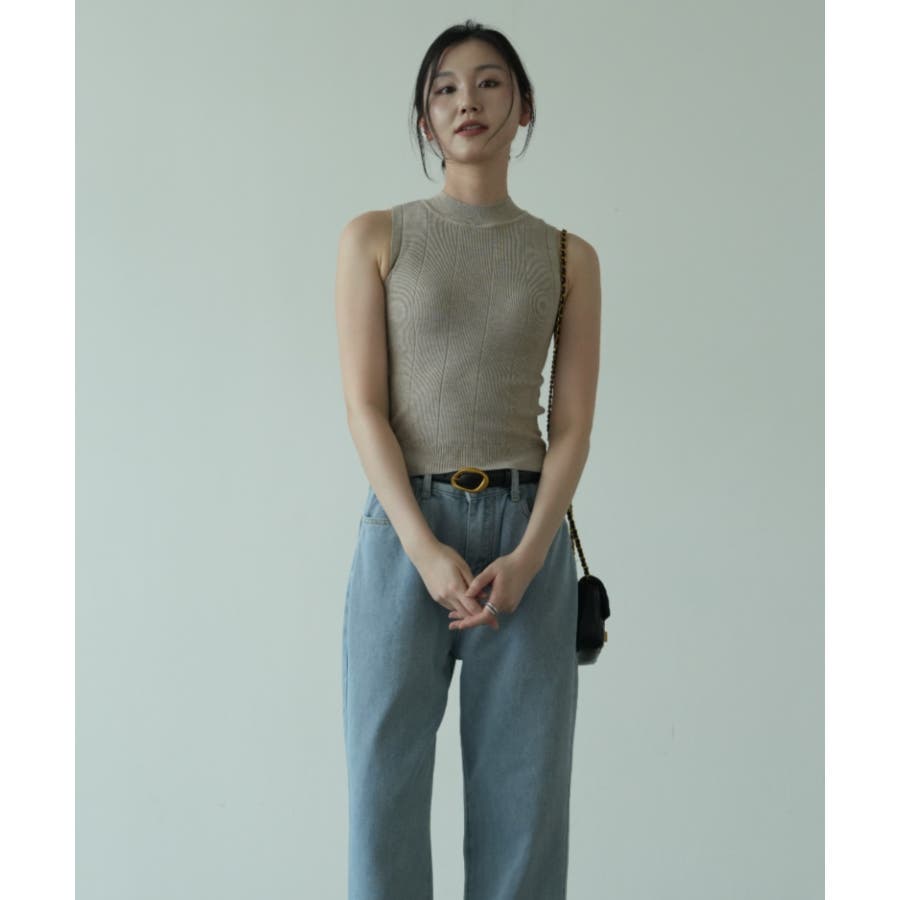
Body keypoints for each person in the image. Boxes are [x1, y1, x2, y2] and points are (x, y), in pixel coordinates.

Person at [334, 18, 601, 900]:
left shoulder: (567, 257)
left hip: (526, 534)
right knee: (383, 796)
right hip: (403, 531)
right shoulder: (376, 236)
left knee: (524, 805)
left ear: (525, 107)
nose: (467, 102)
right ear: (424, 119)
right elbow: (365, 409)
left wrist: (528, 554)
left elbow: (572, 427)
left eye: (490, 83)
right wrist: (421, 547)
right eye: (444, 88)